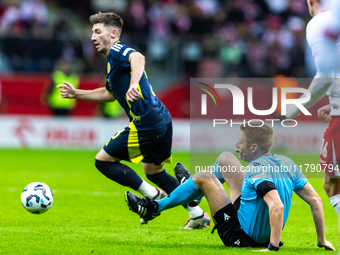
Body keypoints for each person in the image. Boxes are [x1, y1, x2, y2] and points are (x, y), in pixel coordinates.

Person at [56, 11, 209, 228]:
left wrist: (134, 83)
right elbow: (109, 94)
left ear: (114, 33)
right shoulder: (112, 61)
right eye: (92, 32)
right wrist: (76, 93)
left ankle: (154, 195)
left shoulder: (118, 49)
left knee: (103, 161)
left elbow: (138, 57)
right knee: (153, 171)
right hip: (161, 119)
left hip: (146, 122)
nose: (92, 37)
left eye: (98, 32)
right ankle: (197, 215)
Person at [126, 121, 335, 251]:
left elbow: (277, 206)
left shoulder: (256, 171)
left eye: (240, 142)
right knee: (225, 158)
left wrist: (272, 247)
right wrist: (321, 239)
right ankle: (195, 196)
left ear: (253, 147)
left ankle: (154, 208)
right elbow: (316, 201)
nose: (237, 145)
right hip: (245, 216)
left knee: (205, 177)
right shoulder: (287, 163)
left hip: (241, 236)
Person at [286, 0, 340, 220]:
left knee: (332, 183)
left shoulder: (319, 23)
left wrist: (296, 108)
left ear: (311, 2)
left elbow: (326, 76)